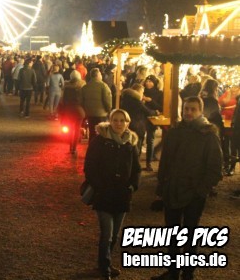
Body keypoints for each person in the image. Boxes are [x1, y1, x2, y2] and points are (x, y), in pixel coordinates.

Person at [151, 96, 223, 280]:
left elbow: (215, 167)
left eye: (193, 109)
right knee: (172, 234)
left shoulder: (208, 134)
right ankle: (173, 271)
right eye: (186, 109)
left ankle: (188, 273)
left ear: (200, 111)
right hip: (172, 189)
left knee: (190, 234)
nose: (188, 112)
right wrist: (162, 183)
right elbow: (165, 160)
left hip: (194, 193)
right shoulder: (175, 132)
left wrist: (201, 189)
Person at [84, 109, 140, 280]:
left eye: (122, 120)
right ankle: (104, 267)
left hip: (122, 194)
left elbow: (136, 168)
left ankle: (105, 263)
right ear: (110, 121)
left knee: (115, 234)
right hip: (104, 193)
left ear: (127, 123)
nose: (118, 123)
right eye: (115, 120)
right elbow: (90, 166)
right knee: (107, 233)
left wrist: (132, 186)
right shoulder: (99, 141)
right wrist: (99, 186)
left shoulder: (130, 143)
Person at [120, 83, 158, 161]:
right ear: (137, 91)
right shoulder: (136, 100)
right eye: (142, 91)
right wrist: (156, 112)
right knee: (136, 150)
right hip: (137, 126)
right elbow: (147, 111)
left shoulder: (126, 98)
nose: (142, 94)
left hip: (128, 125)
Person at [81, 68, 112, 142]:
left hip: (89, 113)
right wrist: (109, 110)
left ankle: (91, 148)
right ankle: (99, 150)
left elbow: (81, 101)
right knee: (101, 133)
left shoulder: (85, 87)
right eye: (100, 74)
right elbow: (107, 100)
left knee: (92, 132)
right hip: (101, 114)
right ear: (98, 75)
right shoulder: (103, 86)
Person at [60, 70, 85, 155]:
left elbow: (63, 100)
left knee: (70, 129)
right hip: (79, 111)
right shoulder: (82, 86)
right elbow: (83, 100)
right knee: (77, 129)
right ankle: (74, 148)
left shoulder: (66, 87)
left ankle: (70, 147)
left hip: (68, 111)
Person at [143, 75, 164, 170]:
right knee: (139, 140)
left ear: (155, 83)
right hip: (142, 117)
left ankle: (149, 163)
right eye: (147, 81)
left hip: (152, 118)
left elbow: (160, 107)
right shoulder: (142, 91)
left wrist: (150, 100)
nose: (148, 83)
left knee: (150, 140)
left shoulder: (159, 93)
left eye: (150, 81)